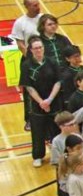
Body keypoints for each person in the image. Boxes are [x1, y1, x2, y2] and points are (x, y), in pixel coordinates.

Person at [21, 36, 62, 166]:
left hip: (53, 101)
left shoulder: (52, 62)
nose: (39, 50)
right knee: (38, 131)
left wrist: (49, 100)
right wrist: (41, 102)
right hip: (36, 104)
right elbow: (28, 86)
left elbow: (58, 82)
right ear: (31, 50)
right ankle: (38, 156)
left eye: (40, 47)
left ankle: (57, 155)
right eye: (36, 48)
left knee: (55, 130)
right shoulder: (27, 65)